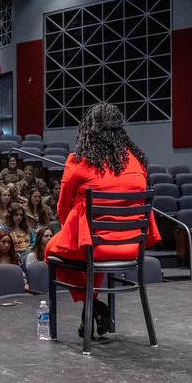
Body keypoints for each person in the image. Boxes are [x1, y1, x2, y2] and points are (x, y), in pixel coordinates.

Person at [45, 102, 159, 338]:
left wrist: (72, 229)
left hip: (95, 247)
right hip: (130, 248)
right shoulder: (137, 162)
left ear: (90, 128)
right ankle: (93, 307)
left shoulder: (79, 161)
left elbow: (63, 207)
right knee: (92, 247)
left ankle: (93, 305)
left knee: (51, 250)